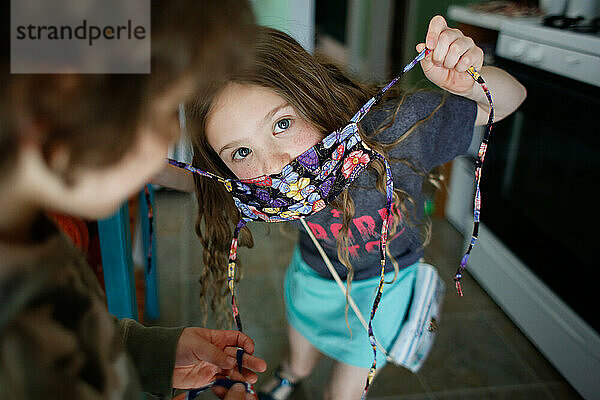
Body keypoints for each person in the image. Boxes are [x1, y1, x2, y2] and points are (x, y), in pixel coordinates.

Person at [168, 15, 526, 400]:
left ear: (313, 95)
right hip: (313, 279)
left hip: (384, 292)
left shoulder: (395, 129)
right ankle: (291, 376)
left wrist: (471, 83)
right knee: (299, 360)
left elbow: (510, 98)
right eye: (241, 152)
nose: (273, 166)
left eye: (282, 124)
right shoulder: (251, 187)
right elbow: (191, 180)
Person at [0, 1, 266, 399]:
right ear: (60, 110)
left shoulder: (32, 233)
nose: (169, 137)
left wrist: (153, 354)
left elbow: (78, 336)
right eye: (161, 110)